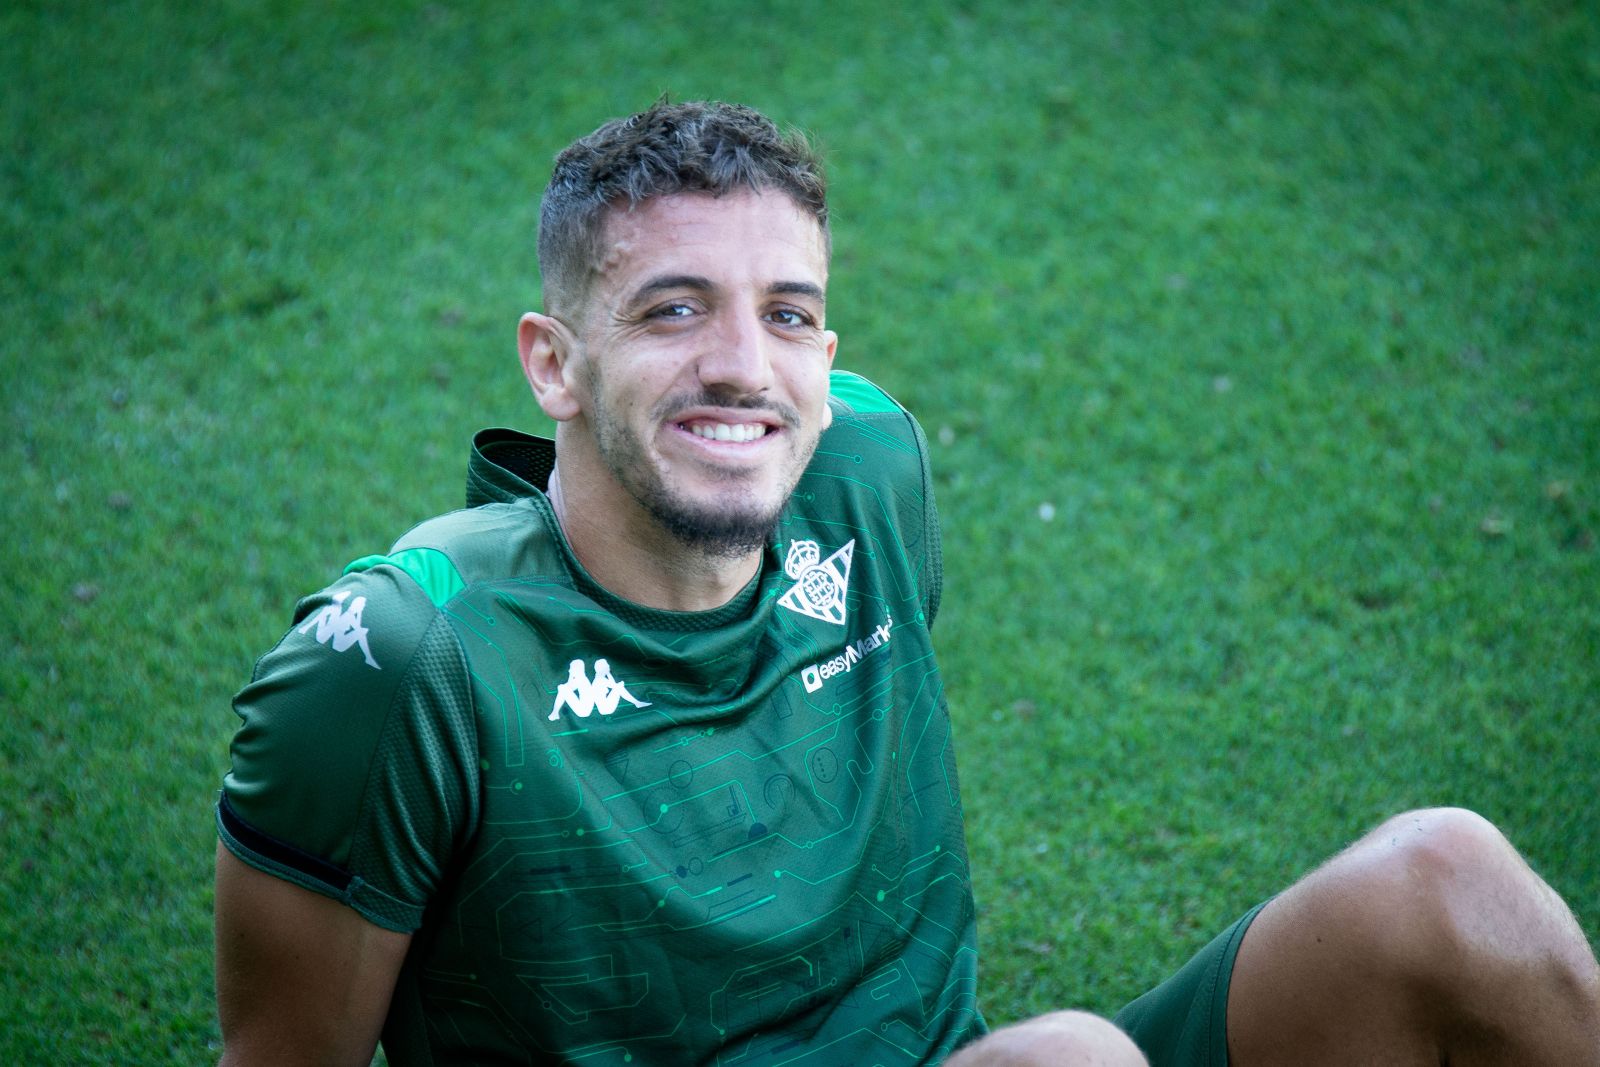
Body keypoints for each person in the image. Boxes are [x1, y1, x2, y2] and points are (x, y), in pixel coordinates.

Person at [214, 100, 1600, 1066]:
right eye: (672, 308)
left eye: (790, 313)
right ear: (552, 363)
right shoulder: (404, 659)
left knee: (1452, 881)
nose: (745, 367)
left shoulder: (864, 463)